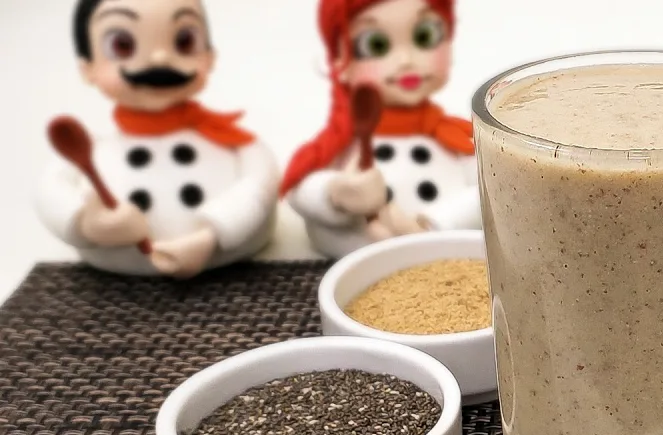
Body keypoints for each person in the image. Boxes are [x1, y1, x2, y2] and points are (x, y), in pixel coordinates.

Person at [34, 0, 280, 279]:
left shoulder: (237, 143)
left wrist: (211, 236)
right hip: (111, 291)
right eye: (123, 46)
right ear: (87, 68)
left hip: (237, 280)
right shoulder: (87, 149)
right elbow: (49, 191)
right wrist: (88, 225)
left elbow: (260, 187)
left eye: (184, 41)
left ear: (210, 56)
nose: (160, 58)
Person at [280, 0, 481, 260]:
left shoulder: (455, 137)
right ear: (339, 62)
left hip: (447, 263)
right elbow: (299, 189)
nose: (406, 61)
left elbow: (491, 191)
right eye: (375, 44)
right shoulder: (340, 139)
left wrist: (431, 224)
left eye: (425, 36)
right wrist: (337, 193)